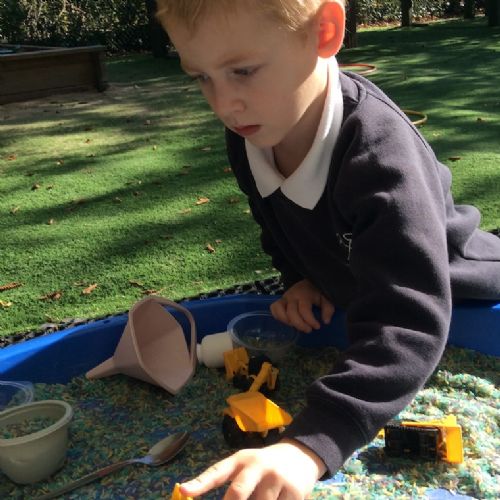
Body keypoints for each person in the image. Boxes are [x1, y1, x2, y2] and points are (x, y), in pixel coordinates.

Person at [155, 1, 500, 498]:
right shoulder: (253, 132)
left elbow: (408, 318)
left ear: (324, 31)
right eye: (201, 78)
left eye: (243, 71)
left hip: (460, 294)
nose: (224, 104)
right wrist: (299, 277)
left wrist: (311, 444)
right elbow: (277, 220)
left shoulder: (379, 154)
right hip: (362, 291)